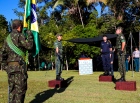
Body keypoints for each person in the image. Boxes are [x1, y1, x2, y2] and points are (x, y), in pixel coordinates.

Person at [0, 19, 33, 103]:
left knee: (12, 90)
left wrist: (5, 67)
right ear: (19, 27)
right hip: (19, 68)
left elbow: (2, 54)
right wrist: (29, 35)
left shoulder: (7, 39)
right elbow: (29, 46)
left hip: (10, 68)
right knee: (20, 91)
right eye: (21, 26)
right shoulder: (19, 36)